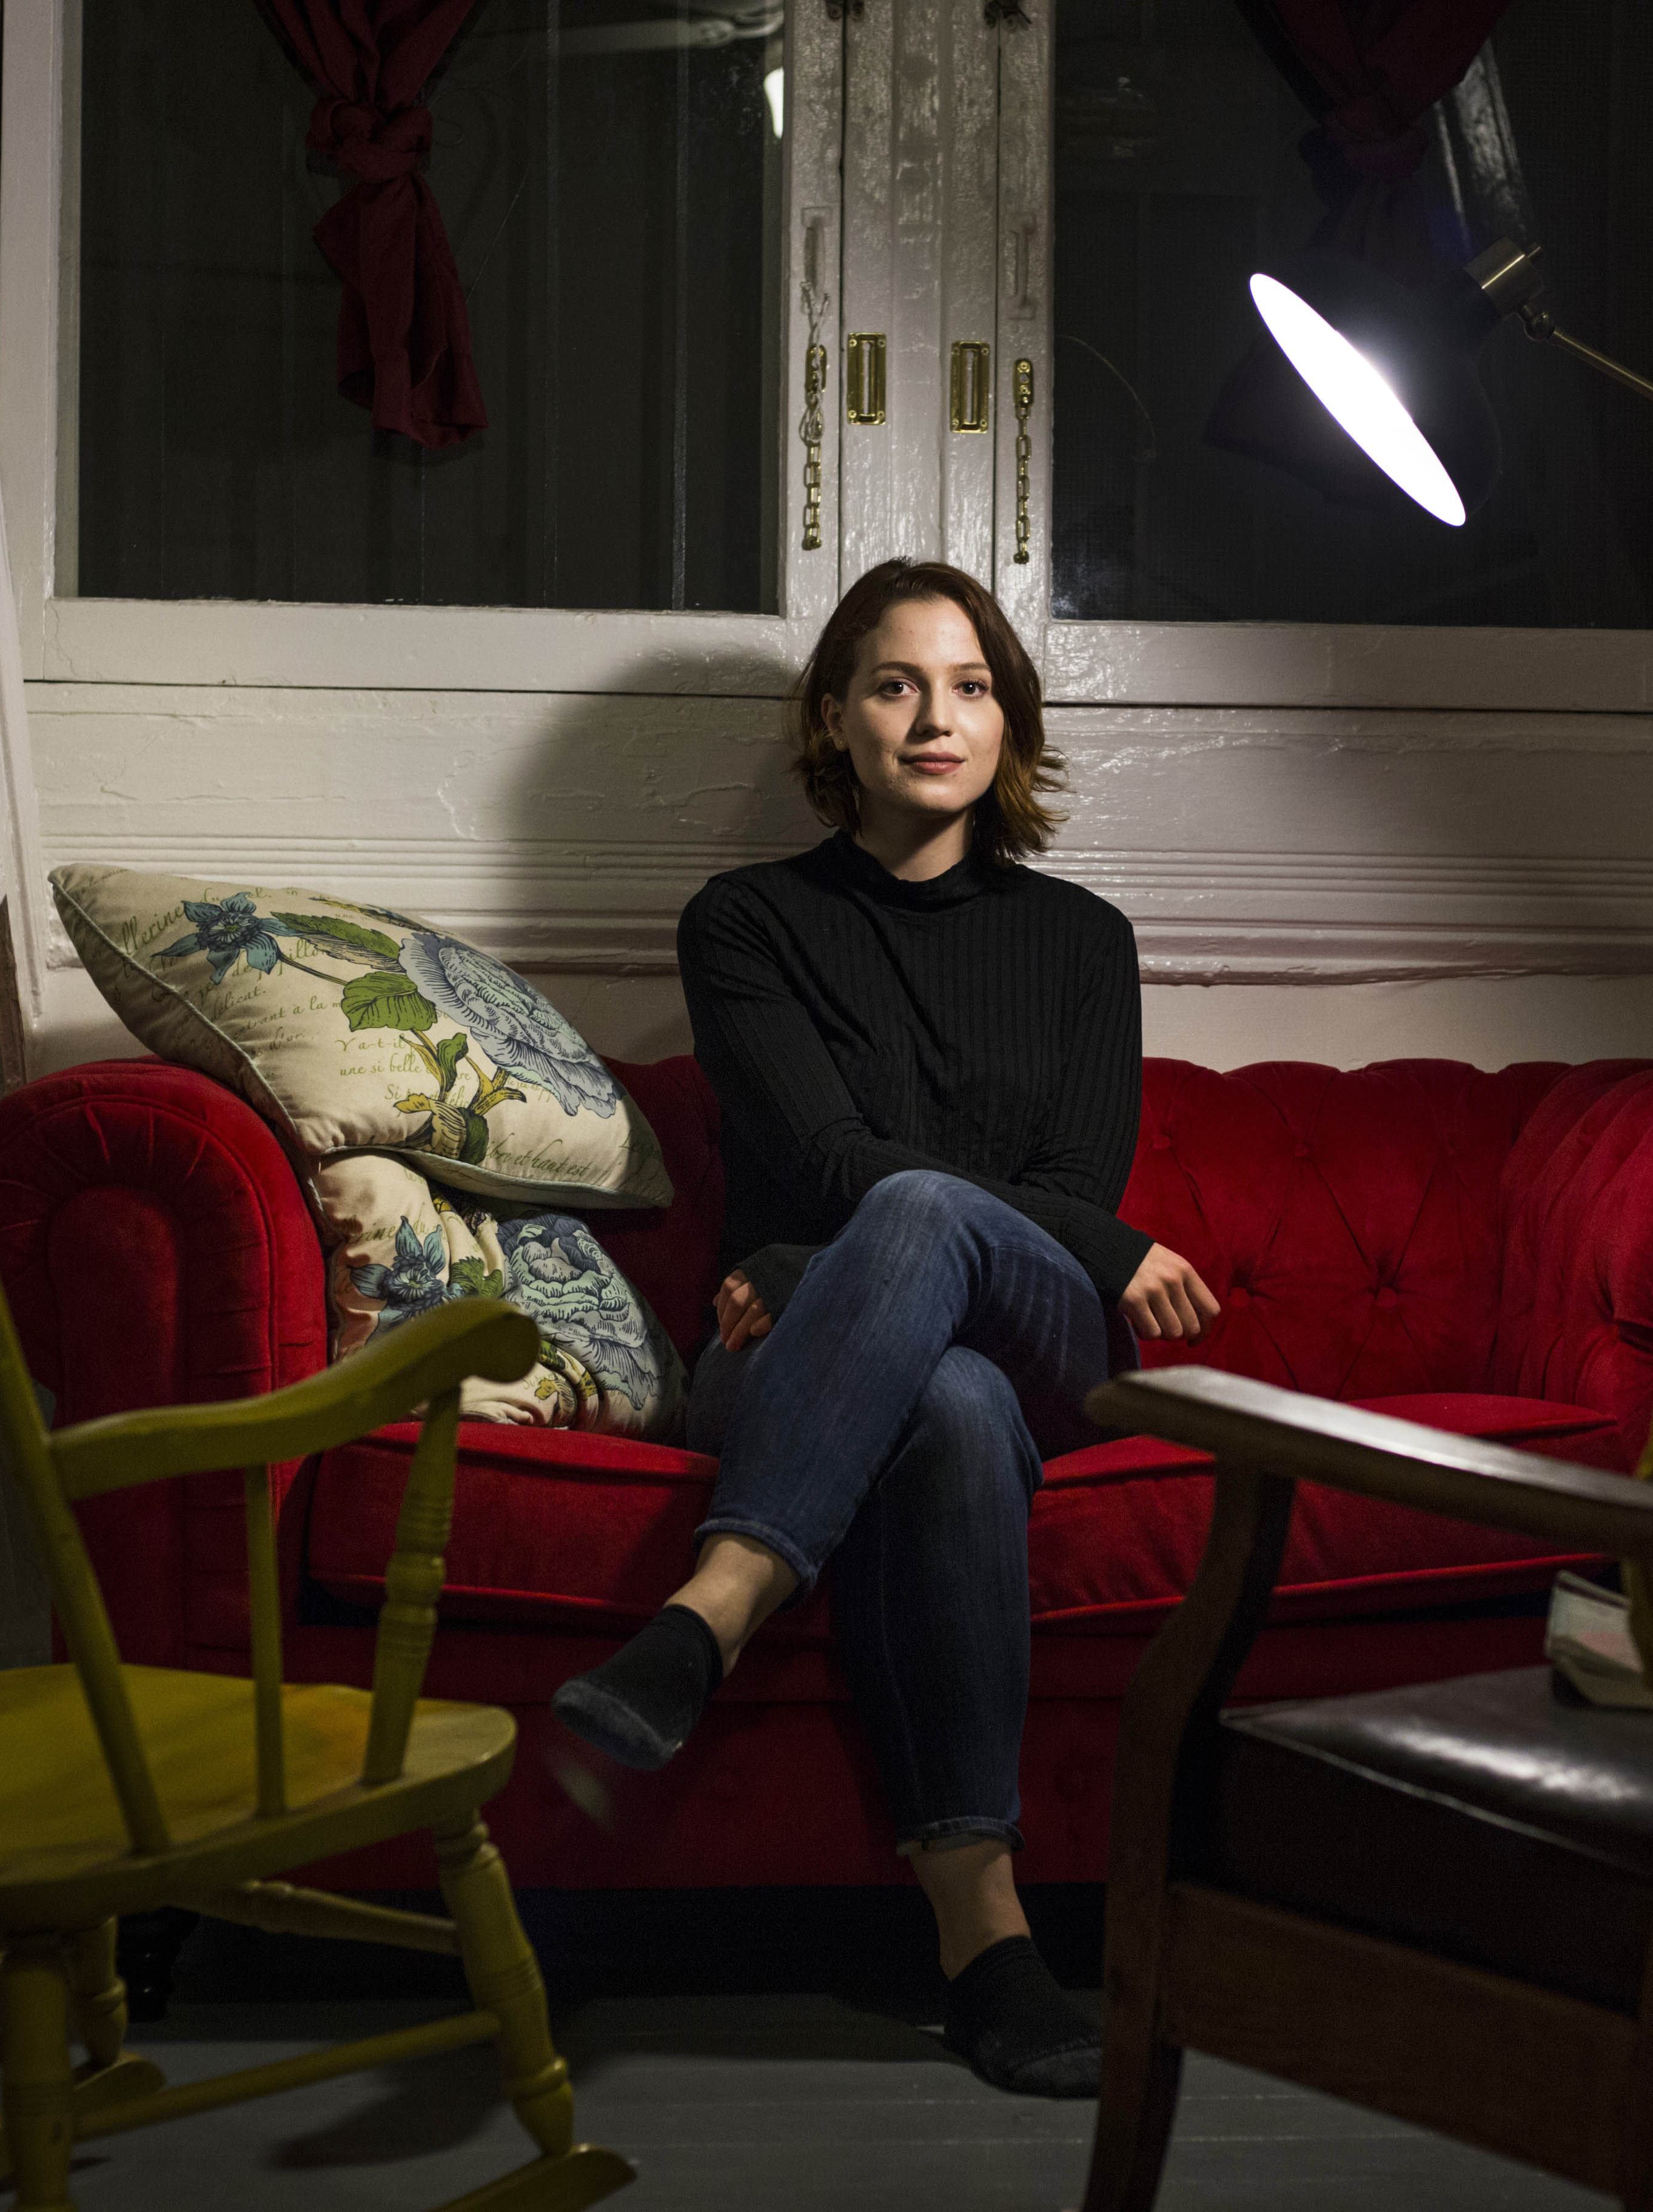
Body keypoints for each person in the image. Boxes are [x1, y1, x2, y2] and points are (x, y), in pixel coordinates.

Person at [550, 558, 1221, 2098]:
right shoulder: (745, 924)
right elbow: (829, 1150)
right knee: (952, 1409)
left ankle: (712, 1607)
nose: (938, 715)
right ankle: (987, 1949)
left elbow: (1043, 1186)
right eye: (898, 684)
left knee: (930, 1239)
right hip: (814, 1353)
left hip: (1024, 1322)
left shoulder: (1081, 941)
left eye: (973, 684)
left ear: (1011, 724)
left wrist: (806, 1248)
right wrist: (841, 1237)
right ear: (837, 721)